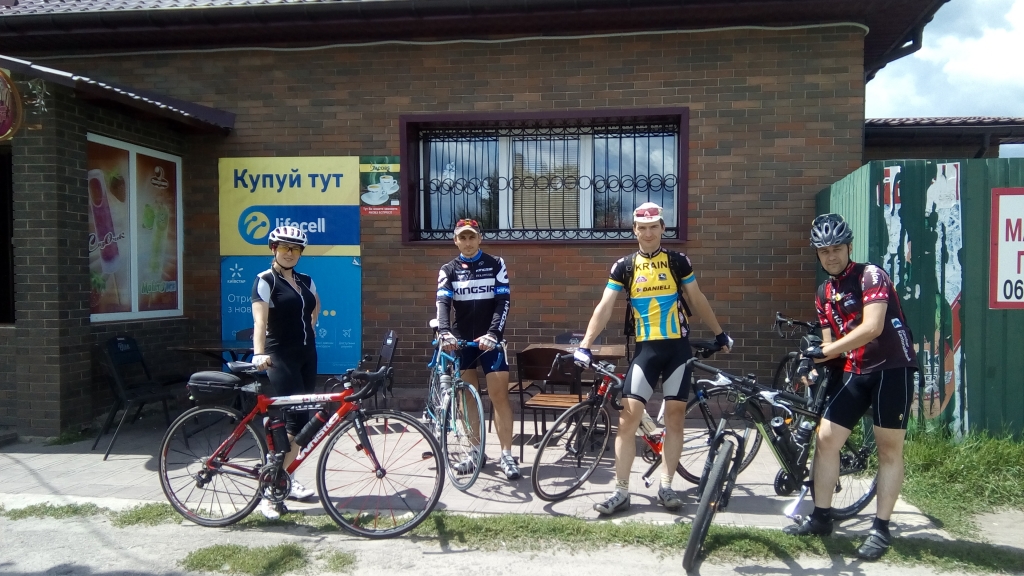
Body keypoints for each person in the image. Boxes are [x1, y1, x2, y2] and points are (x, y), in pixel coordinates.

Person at [573, 202, 733, 515]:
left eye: (653, 227)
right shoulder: (624, 266)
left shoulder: (677, 262)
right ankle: (621, 491)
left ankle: (667, 486)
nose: (648, 233)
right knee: (628, 419)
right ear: (635, 230)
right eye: (642, 228)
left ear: (662, 228)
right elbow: (605, 306)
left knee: (675, 417)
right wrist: (585, 344)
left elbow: (697, 298)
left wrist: (719, 333)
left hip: (677, 349)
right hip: (646, 350)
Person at [784, 213, 919, 561]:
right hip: (856, 370)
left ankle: (881, 528)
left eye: (837, 249)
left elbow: (872, 327)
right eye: (824, 250)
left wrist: (825, 351)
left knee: (889, 450)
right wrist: (810, 362)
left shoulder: (871, 275)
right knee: (827, 439)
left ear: (849, 247)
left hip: (892, 368)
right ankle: (821, 517)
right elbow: (830, 345)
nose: (831, 256)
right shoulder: (824, 293)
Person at [435, 218, 519, 480]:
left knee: (499, 396)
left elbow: (503, 302)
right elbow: (442, 303)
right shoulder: (448, 269)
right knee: (467, 398)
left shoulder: (496, 264)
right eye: (463, 237)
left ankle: (506, 454)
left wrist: (494, 334)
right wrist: (445, 331)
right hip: (463, 342)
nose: (468, 242)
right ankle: (475, 452)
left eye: (472, 237)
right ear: (455, 241)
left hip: (490, 341)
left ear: (480, 238)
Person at [250, 225, 321, 519]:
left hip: (307, 355)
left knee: (302, 423)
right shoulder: (265, 280)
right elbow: (259, 321)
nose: (289, 253)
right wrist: (259, 352)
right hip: (280, 356)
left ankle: (285, 478)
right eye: (284, 248)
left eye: (295, 249)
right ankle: (270, 490)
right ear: (273, 249)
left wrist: (310, 329)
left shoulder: (306, 280)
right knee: (291, 421)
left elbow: (315, 307)